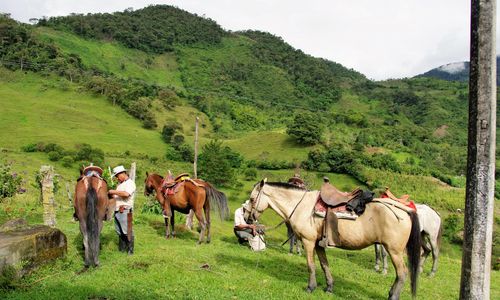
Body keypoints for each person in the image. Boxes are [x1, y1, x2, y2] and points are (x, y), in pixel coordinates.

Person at [108, 165, 136, 254]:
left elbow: (126, 194)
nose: (117, 178)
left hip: (125, 211)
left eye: (117, 176)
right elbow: (117, 196)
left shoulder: (130, 183)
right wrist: (112, 195)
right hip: (117, 210)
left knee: (128, 231)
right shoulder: (120, 185)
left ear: (123, 173)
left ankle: (130, 251)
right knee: (119, 231)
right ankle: (122, 249)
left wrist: (113, 191)